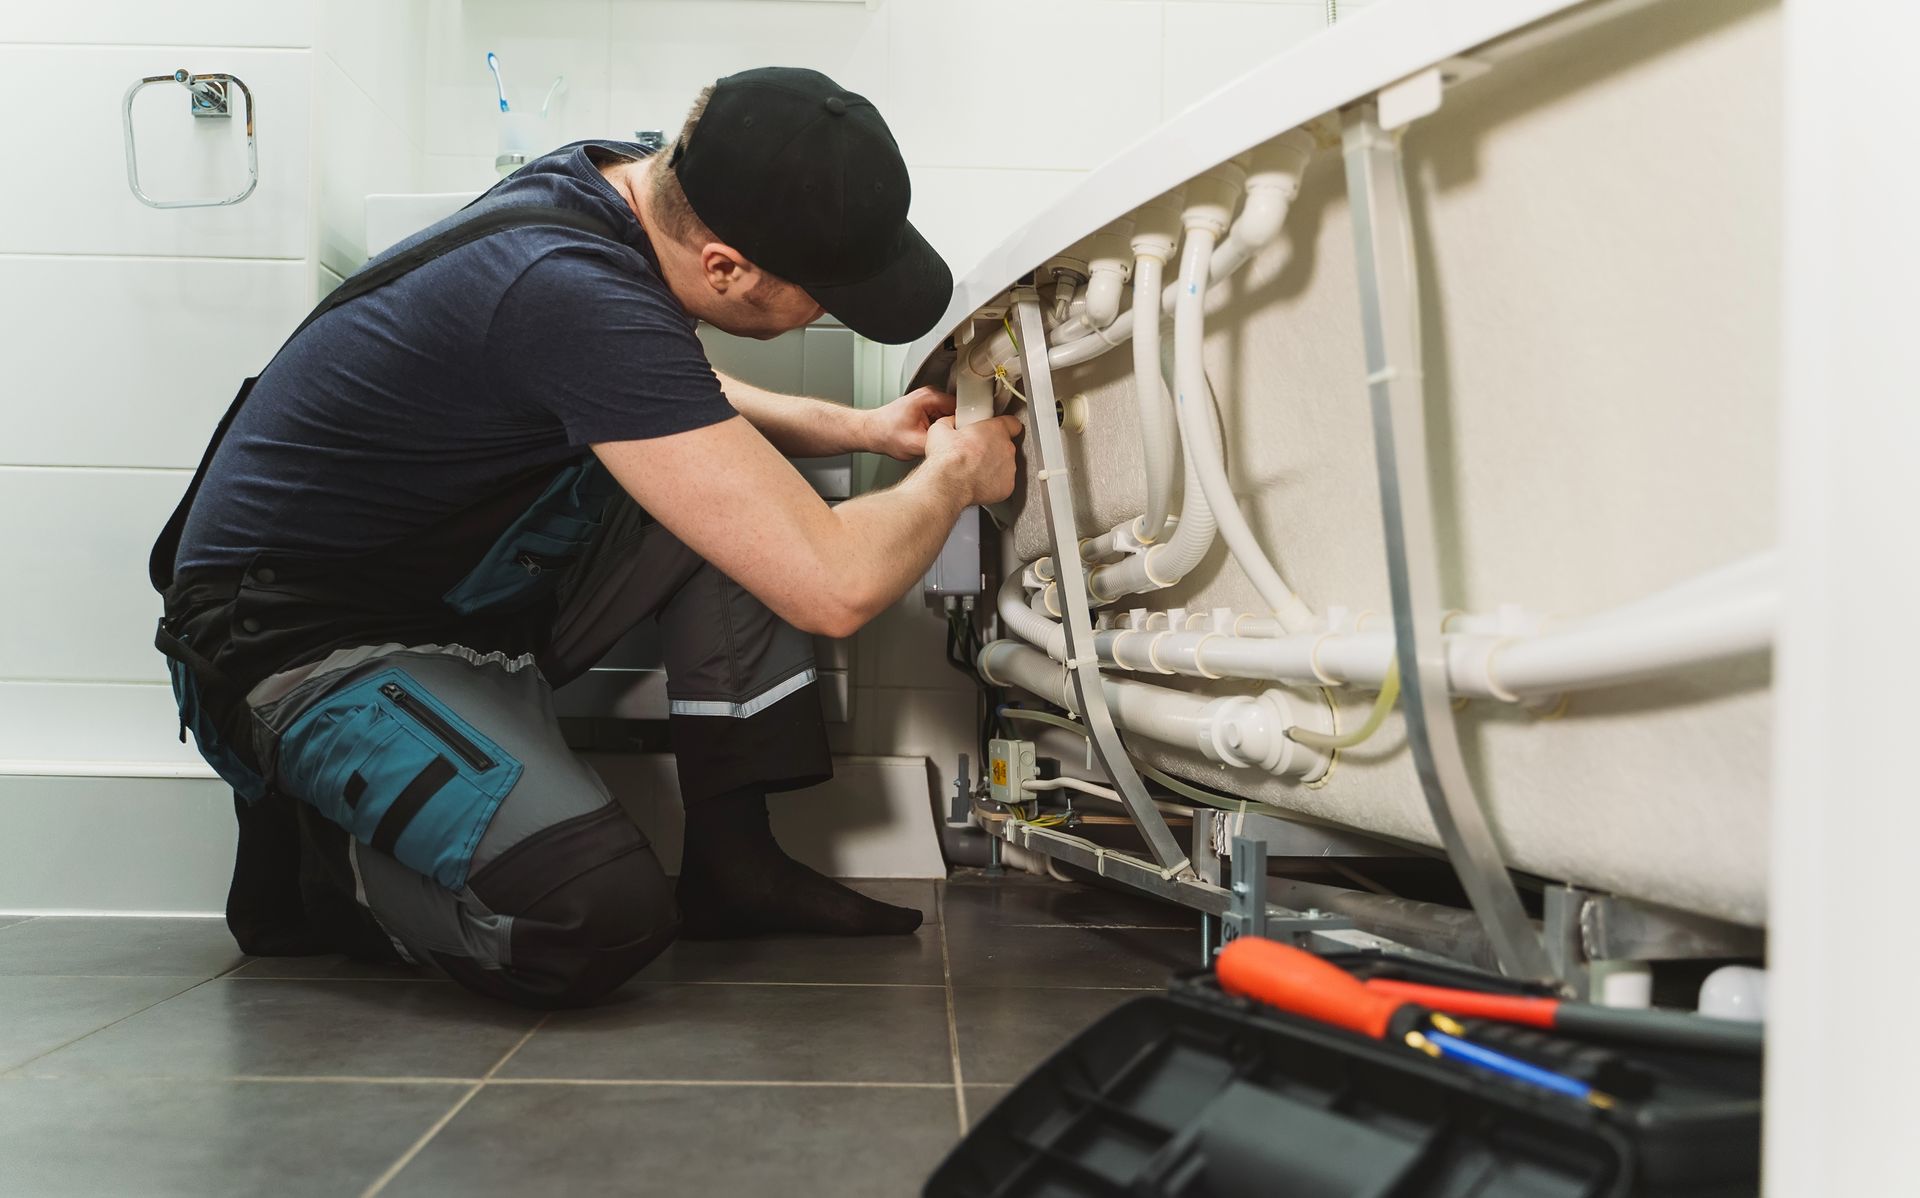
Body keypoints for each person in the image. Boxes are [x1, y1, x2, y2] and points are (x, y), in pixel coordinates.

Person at [150, 66, 1024, 1008]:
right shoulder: (565, 285)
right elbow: (834, 586)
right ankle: (316, 869)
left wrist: (863, 427)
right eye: (827, 295)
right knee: (588, 917)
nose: (830, 311)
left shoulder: (623, 185)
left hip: (447, 585)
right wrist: (954, 474)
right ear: (724, 266)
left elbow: (661, 397)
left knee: (722, 509)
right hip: (294, 639)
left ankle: (736, 863)